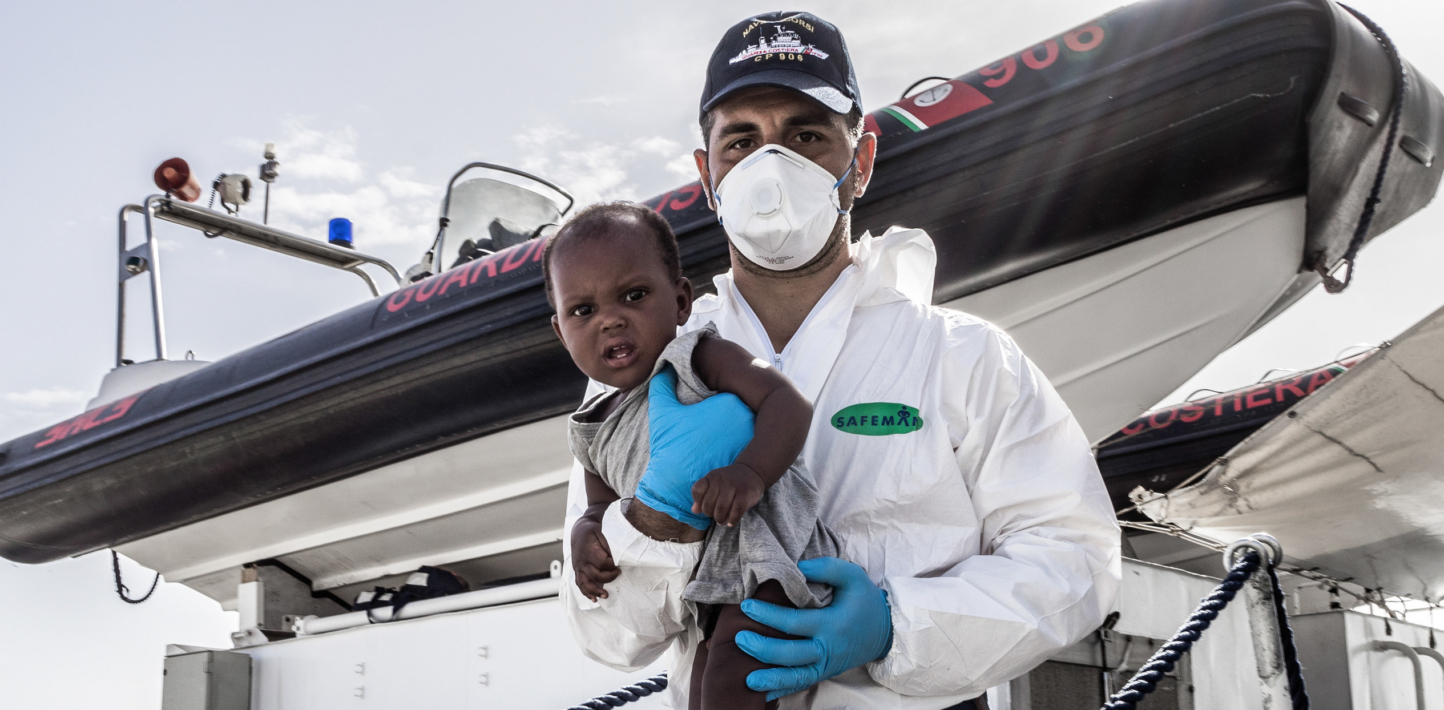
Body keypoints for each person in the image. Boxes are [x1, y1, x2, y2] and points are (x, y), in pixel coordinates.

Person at [561, 11, 1121, 709]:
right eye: (742, 141)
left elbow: (1074, 558)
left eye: (806, 136)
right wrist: (656, 523)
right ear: (708, 175)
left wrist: (897, 626)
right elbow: (605, 633)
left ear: (860, 162)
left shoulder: (965, 356)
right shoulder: (645, 378)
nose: (772, 165)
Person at [545, 202, 842, 709]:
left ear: (681, 302)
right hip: (705, 586)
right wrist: (583, 537)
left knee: (730, 678)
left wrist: (750, 472)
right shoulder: (593, 429)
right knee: (703, 685)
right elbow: (600, 507)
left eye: (634, 296)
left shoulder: (698, 357)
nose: (610, 320)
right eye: (584, 311)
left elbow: (787, 403)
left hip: (769, 551)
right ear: (560, 332)